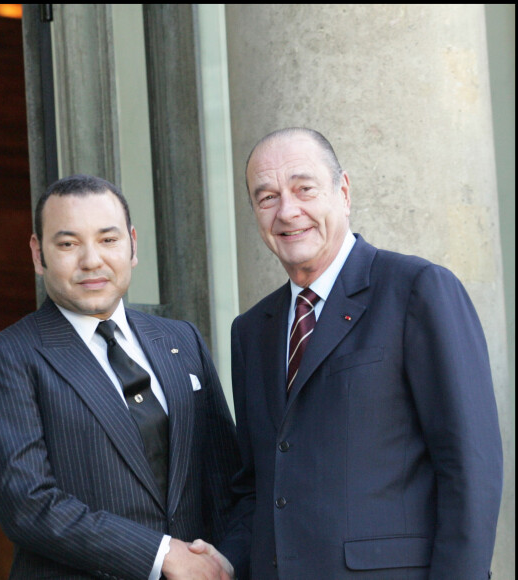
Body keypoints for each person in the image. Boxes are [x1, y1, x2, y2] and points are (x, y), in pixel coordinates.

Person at [215, 128, 504, 579]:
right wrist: (223, 560)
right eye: (267, 197)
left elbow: (469, 467)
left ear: (343, 191)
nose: (288, 211)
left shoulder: (417, 290)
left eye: (304, 189)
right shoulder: (251, 331)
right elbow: (256, 486)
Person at [0, 174, 239, 580]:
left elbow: (226, 479)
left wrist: (228, 559)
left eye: (108, 240)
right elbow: (28, 505)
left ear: (132, 245)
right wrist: (161, 555)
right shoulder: (5, 357)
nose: (91, 260)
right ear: (38, 254)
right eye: (68, 243)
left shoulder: (181, 339)